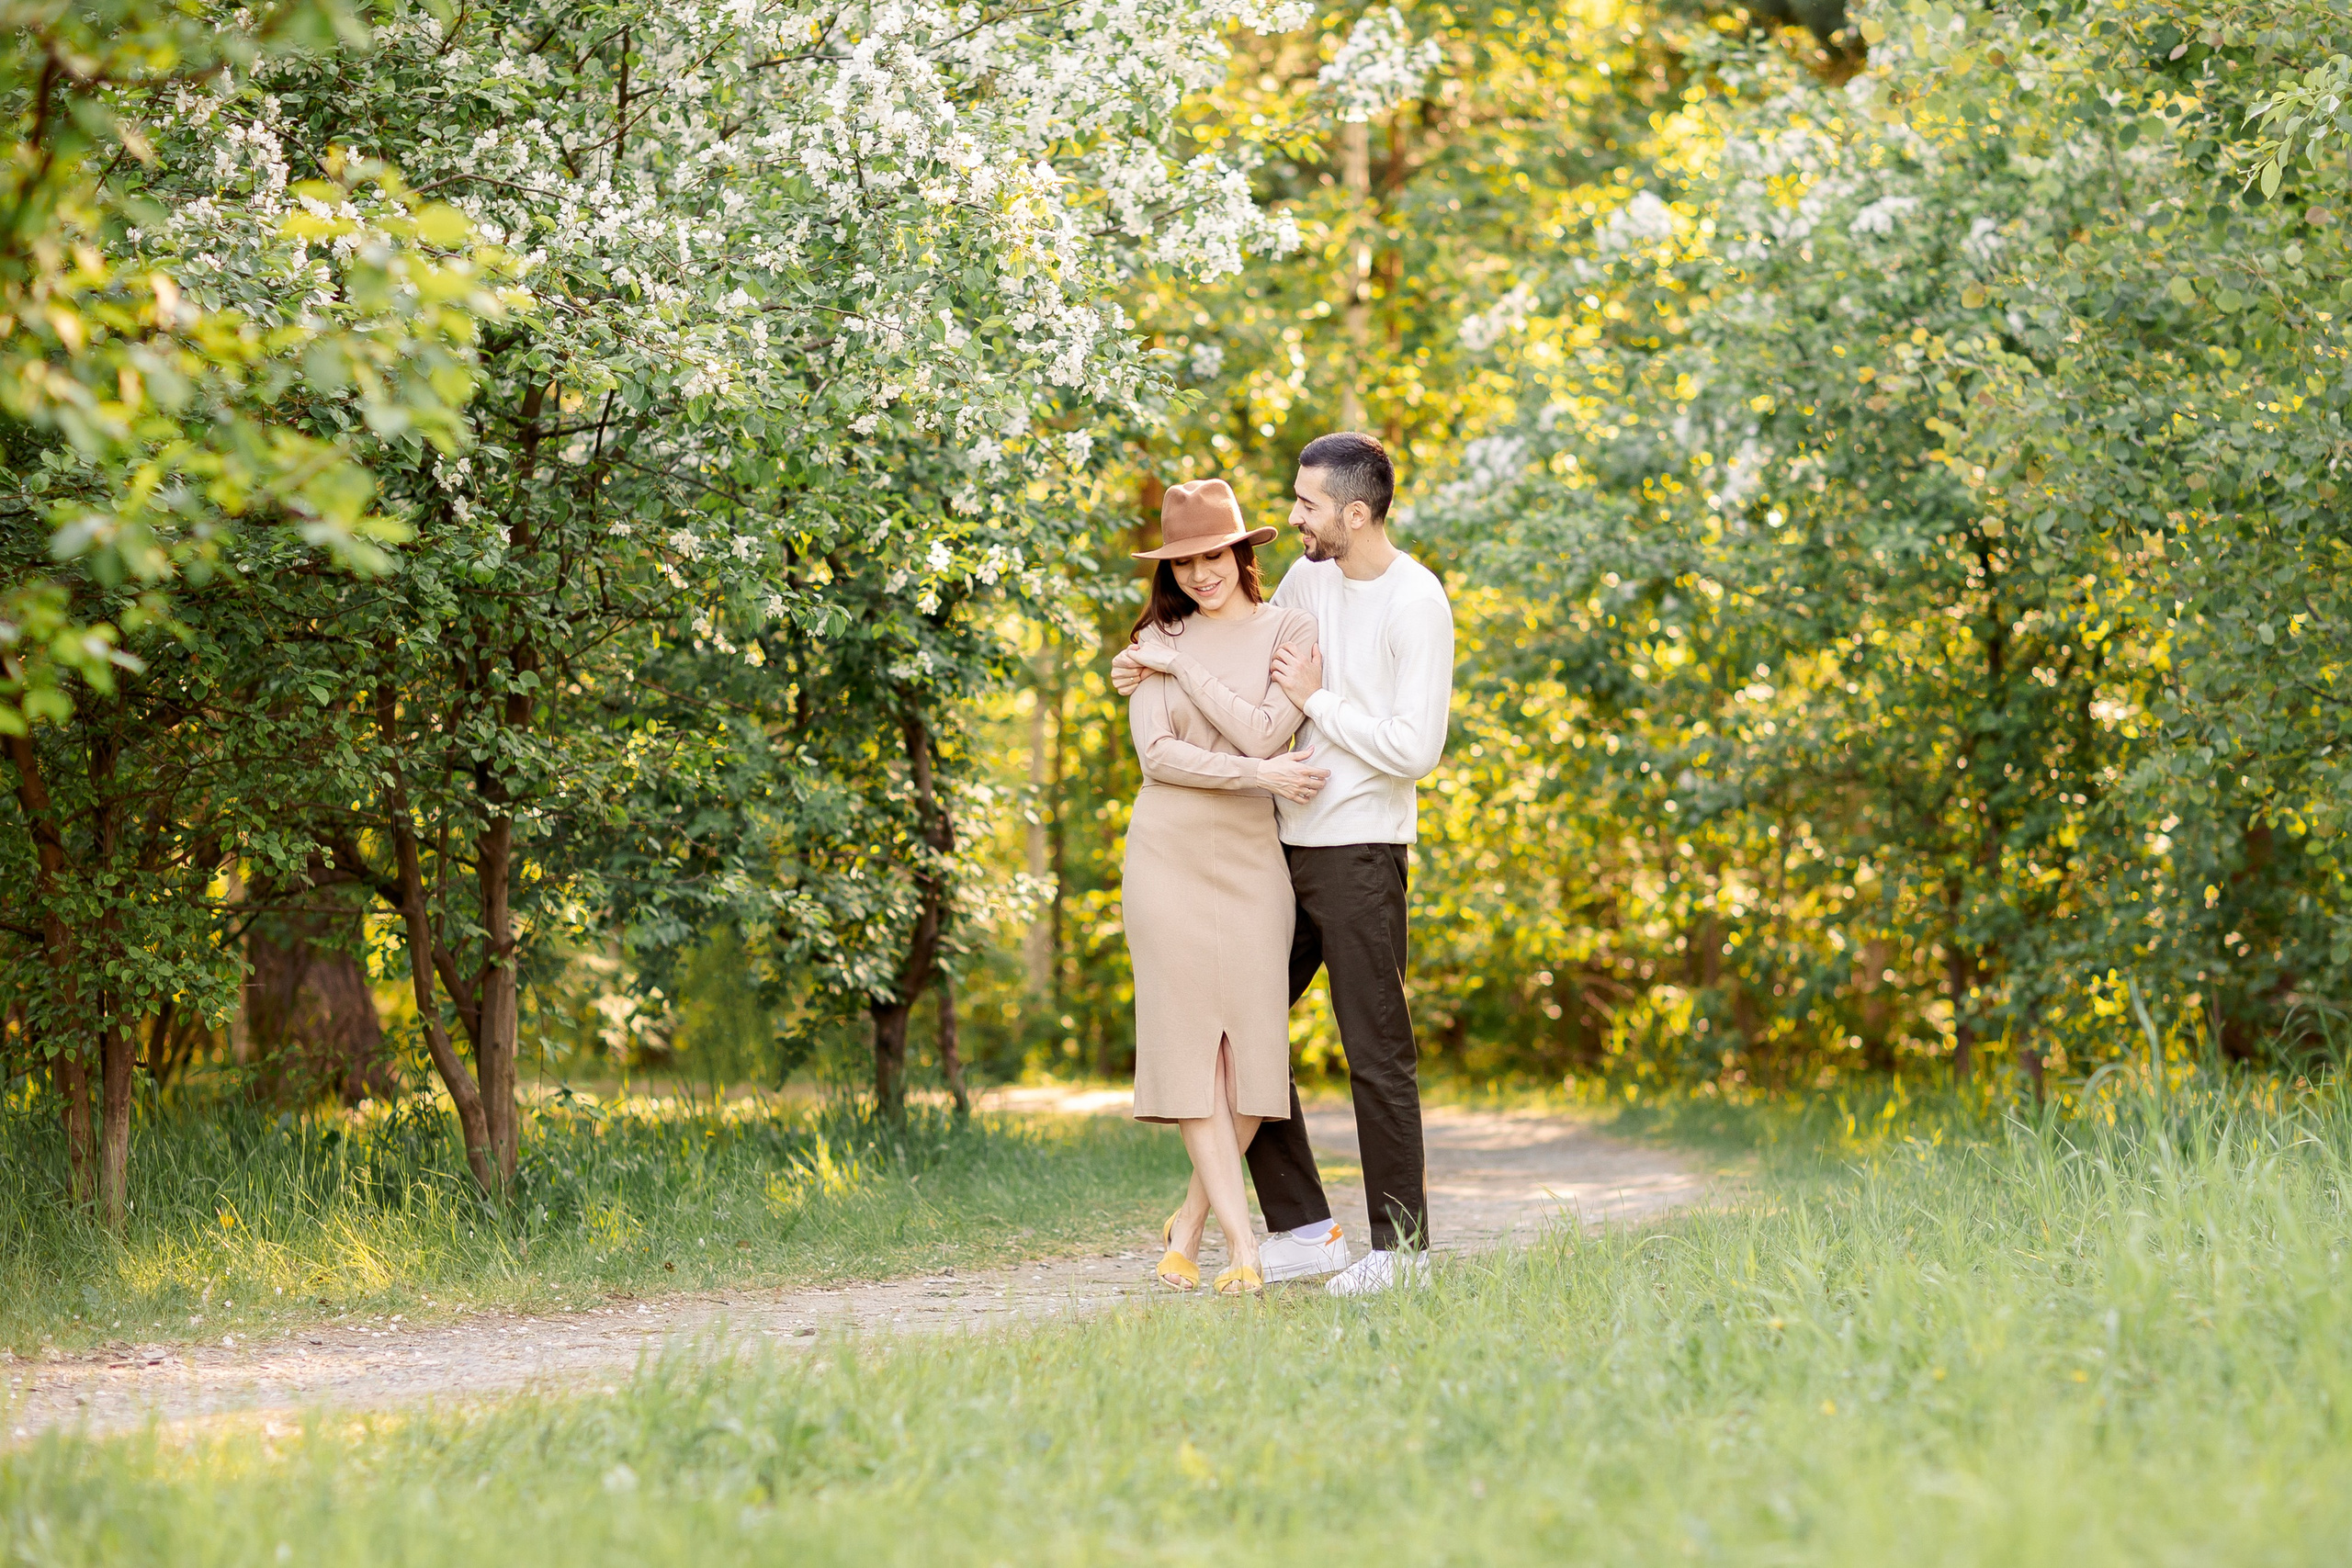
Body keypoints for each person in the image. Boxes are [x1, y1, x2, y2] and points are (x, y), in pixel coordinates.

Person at [1116, 433, 1453, 1297]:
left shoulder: (1417, 602)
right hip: (1277, 849)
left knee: (1375, 1047)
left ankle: (1401, 1251)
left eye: (1305, 504)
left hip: (1358, 851)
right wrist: (1150, 663)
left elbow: (1415, 748)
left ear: (1353, 510)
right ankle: (1303, 1224)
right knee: (1246, 1032)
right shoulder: (1307, 582)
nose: (1292, 516)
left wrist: (1317, 701)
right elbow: (1239, 677)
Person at [1118, 478, 1330, 1296]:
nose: (1200, 574)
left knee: (1253, 1048)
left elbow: (1273, 726)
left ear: (1242, 551)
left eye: (1213, 555)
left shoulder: (1290, 627)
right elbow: (1158, 757)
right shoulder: (1155, 636)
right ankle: (1243, 1249)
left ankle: (1192, 1222)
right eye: (1184, 563)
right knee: (1191, 1047)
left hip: (1252, 859)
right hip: (1166, 852)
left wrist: (1183, 671)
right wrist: (1257, 773)